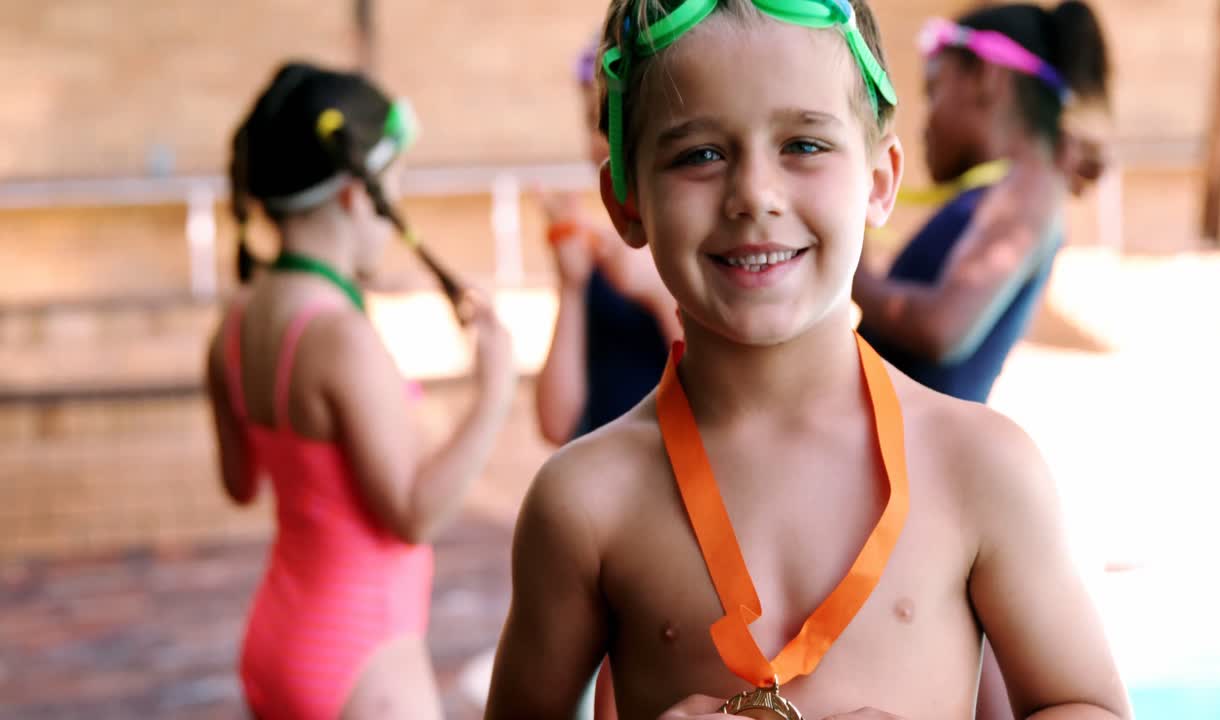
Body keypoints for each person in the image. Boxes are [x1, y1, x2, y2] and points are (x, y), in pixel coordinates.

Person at [485, 1, 1129, 719]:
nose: (754, 195)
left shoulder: (980, 467)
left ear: (880, 181)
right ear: (627, 203)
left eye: (803, 145)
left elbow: (1087, 705)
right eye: (700, 154)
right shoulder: (584, 502)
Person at [205, 62, 515, 720]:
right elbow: (414, 515)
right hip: (362, 656)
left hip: (277, 639)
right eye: (394, 182)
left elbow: (241, 483)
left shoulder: (235, 322)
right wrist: (493, 392)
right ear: (354, 195)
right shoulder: (341, 338)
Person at [853, 2, 1112, 404]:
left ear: (986, 79)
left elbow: (941, 328)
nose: (926, 120)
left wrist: (855, 276)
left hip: (915, 443)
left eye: (933, 90)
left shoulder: (1031, 187)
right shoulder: (1007, 188)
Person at [535, 40, 680, 446]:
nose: (603, 138)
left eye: (615, 119)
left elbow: (725, 398)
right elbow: (556, 424)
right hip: (610, 473)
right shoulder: (597, 258)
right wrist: (571, 284)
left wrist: (657, 292)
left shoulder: (702, 249)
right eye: (591, 121)